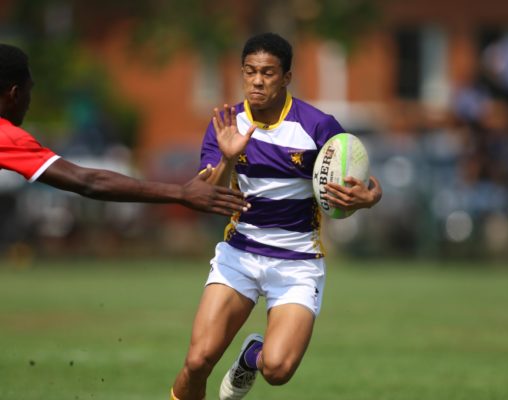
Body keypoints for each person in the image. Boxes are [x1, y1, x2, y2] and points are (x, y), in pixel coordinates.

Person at [170, 33, 382, 400]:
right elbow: (205, 197)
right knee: (198, 361)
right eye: (249, 71)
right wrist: (228, 158)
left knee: (277, 370)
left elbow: (354, 186)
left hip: (297, 263)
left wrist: (367, 199)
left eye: (267, 73)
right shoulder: (227, 124)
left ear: (286, 78)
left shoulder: (317, 127)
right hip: (239, 255)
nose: (257, 81)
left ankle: (251, 356)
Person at [0, 43, 250, 216]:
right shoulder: (6, 135)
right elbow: (87, 181)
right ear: (14, 93)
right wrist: (181, 193)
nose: (29, 101)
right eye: (29, 91)